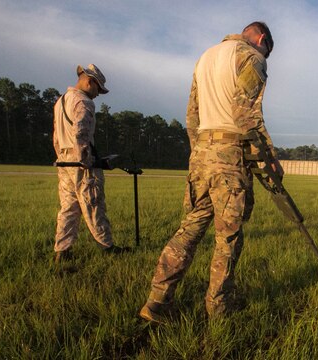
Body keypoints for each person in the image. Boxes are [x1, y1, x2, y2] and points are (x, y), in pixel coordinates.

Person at [140, 21, 283, 322]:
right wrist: (270, 161)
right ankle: (218, 308)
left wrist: (199, 152)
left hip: (201, 156)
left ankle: (156, 302)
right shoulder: (251, 57)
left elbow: (191, 115)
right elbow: (247, 117)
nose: (266, 59)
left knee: (189, 230)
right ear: (261, 39)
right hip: (229, 158)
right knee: (228, 237)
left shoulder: (206, 57)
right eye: (268, 51)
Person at [53, 64, 127, 263]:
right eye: (98, 89)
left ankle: (62, 250)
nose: (98, 94)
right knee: (93, 203)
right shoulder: (83, 102)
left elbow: (56, 138)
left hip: (64, 162)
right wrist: (88, 162)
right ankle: (107, 247)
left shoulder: (60, 101)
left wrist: (62, 157)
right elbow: (80, 133)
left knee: (68, 207)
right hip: (80, 162)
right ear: (89, 81)